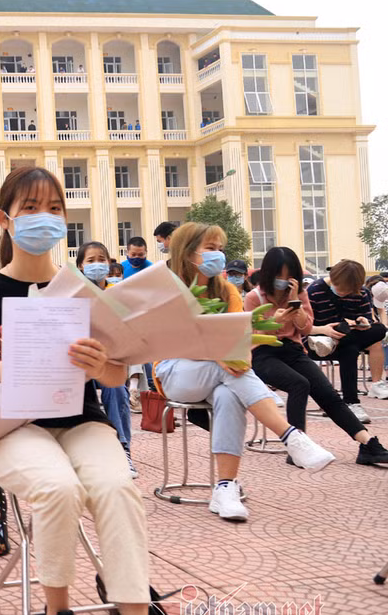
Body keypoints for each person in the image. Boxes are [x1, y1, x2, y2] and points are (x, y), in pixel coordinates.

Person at [0, 165, 183, 615]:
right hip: (12, 424)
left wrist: (102, 365)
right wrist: (12, 362)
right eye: (29, 209)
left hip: (80, 418)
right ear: (4, 220)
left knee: (117, 486)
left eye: (53, 208)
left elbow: (118, 375)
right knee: (58, 489)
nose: (43, 219)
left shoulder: (83, 291)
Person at [155, 222, 334, 522]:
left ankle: (225, 489)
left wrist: (228, 352)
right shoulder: (164, 287)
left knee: (229, 394)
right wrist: (216, 353)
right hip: (175, 372)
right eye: (211, 249)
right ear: (187, 252)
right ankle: (291, 435)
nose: (219, 256)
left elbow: (236, 339)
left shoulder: (226, 290)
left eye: (220, 249)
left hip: (223, 372)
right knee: (227, 370)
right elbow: (165, 341)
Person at [246, 248, 388, 465]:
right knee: (299, 384)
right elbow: (252, 337)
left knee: (328, 394)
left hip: (292, 350)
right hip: (263, 352)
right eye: (279, 276)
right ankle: (297, 448)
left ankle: (367, 444)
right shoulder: (254, 297)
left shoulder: (299, 294)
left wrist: (295, 303)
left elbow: (305, 328)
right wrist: (274, 321)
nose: (283, 281)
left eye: (289, 276)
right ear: (268, 273)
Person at [76, 243, 136, 476]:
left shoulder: (117, 294)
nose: (97, 264)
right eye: (90, 261)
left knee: (117, 389)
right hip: (79, 366)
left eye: (101, 259)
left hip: (109, 363)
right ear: (80, 265)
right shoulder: (74, 294)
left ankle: (123, 450)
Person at [306, 259, 388, 412]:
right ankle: (352, 404)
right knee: (350, 349)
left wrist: (363, 321)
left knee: (379, 330)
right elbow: (302, 326)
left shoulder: (362, 292)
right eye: (340, 289)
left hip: (348, 336)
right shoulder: (314, 290)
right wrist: (323, 330)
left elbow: (366, 317)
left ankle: (351, 404)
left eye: (348, 291)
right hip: (319, 339)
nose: (343, 293)